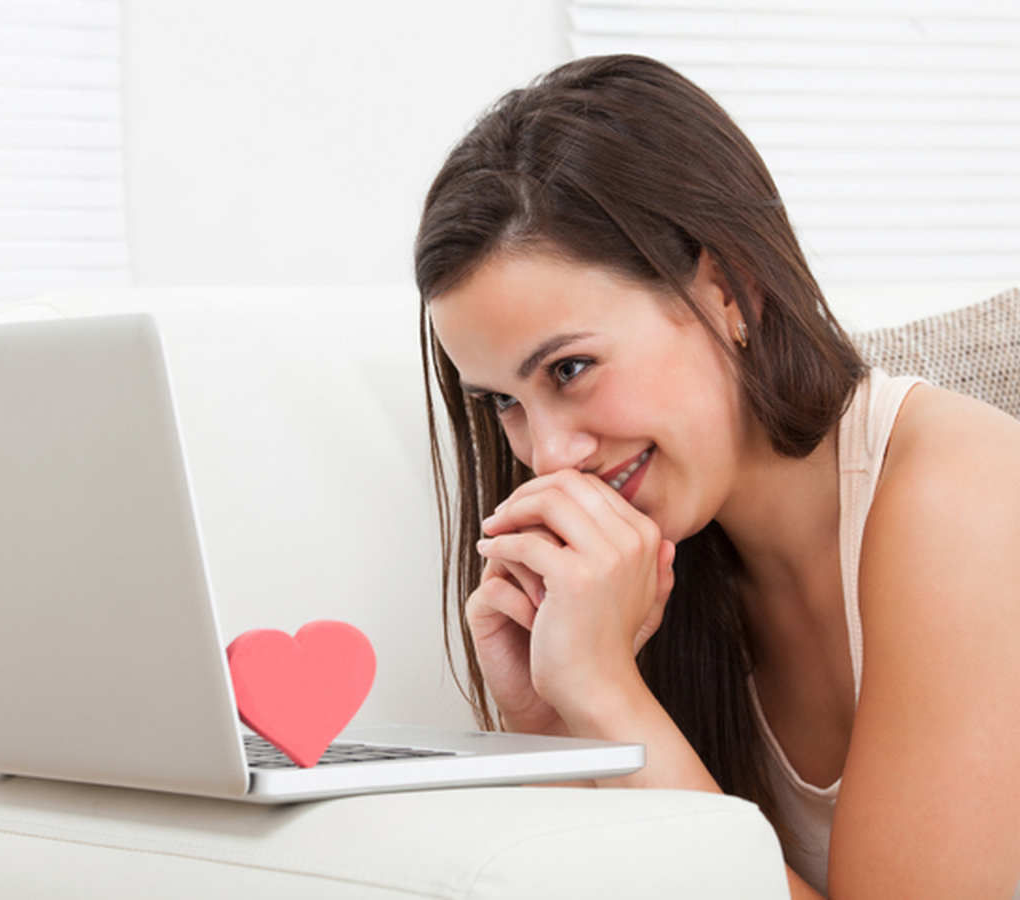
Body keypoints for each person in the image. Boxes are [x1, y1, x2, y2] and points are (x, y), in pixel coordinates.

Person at [414, 54, 1020, 899]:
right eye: (502, 403)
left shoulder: (967, 500)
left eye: (569, 369)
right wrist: (556, 725)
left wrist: (607, 698)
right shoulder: (654, 576)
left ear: (730, 290)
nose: (548, 456)